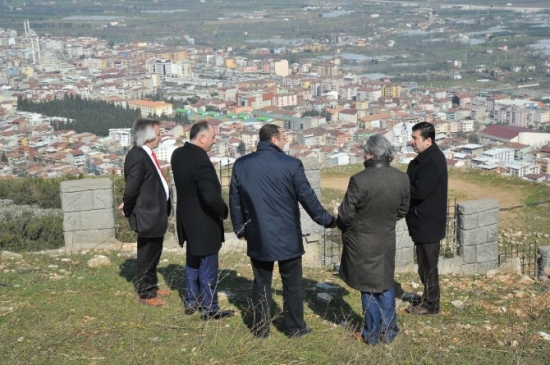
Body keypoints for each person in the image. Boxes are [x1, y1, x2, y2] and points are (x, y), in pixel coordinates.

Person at [229, 124, 336, 338]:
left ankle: (261, 329)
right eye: (284, 136)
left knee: (261, 283)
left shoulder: (241, 165)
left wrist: (240, 229)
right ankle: (295, 328)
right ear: (275, 139)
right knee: (293, 284)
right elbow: (307, 198)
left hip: (258, 234)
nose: (286, 139)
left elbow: (235, 201)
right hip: (287, 235)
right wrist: (328, 221)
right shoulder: (292, 164)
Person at [337, 135, 410, 345]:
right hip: (386, 238)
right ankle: (388, 332)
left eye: (364, 152)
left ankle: (370, 334)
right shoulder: (401, 178)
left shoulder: (360, 180)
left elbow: (344, 215)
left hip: (362, 241)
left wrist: (357, 226)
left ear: (371, 154)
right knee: (385, 284)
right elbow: (403, 209)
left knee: (368, 287)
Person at [171, 120, 235, 321]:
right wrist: (223, 211)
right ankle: (209, 308)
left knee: (192, 260)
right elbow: (209, 196)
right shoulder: (201, 161)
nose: (214, 141)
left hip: (186, 219)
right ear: (202, 138)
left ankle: (192, 301)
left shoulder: (178, 155)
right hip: (204, 222)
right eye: (213, 137)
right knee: (208, 265)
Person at [119, 118, 172, 307]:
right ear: (149, 136)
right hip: (147, 213)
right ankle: (146, 294)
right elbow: (132, 188)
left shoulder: (146, 154)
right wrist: (127, 206)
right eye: (158, 133)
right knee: (146, 253)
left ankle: (153, 285)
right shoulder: (137, 156)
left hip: (155, 212)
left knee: (155, 251)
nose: (160, 137)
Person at [405, 121, 448, 315]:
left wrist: (400, 188)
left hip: (427, 222)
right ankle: (428, 298)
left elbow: (419, 192)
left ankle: (431, 304)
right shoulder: (426, 158)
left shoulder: (432, 161)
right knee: (424, 264)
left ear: (428, 140)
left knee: (428, 265)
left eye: (415, 138)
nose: (412, 141)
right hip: (422, 221)